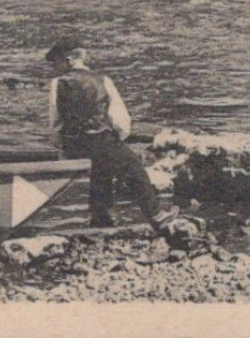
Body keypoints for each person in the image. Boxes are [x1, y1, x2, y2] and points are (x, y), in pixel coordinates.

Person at [45, 35, 180, 235]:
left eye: (55, 62)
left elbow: (55, 120)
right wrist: (119, 136)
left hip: (74, 144)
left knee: (102, 166)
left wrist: (61, 143)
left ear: (68, 59)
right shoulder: (102, 80)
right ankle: (155, 215)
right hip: (100, 140)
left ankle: (102, 217)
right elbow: (119, 119)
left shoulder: (57, 84)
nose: (53, 68)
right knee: (134, 167)